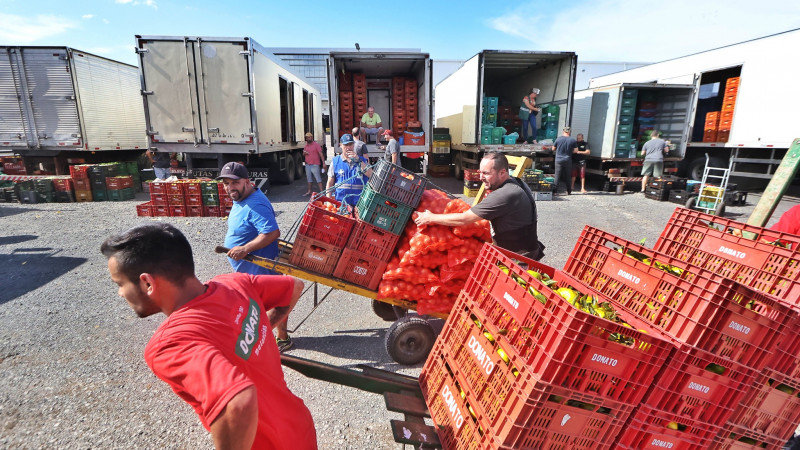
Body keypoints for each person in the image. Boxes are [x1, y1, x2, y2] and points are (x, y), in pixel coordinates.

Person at [101, 223, 317, 450]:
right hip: (299, 428)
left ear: (147, 282)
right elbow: (294, 286)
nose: (120, 293)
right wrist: (259, 329)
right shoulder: (235, 283)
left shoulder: (170, 344)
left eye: (120, 283)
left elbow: (239, 402)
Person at [218, 162, 293, 352]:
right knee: (272, 301)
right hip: (248, 267)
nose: (229, 188)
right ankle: (281, 338)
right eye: (226, 183)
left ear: (247, 181)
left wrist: (245, 248)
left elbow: (271, 233)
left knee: (270, 303)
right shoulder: (242, 198)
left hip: (260, 266)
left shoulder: (255, 203)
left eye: (234, 183)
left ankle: (271, 342)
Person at [414, 151, 544, 260]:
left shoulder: (504, 194)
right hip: (529, 248)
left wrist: (430, 218)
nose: (481, 177)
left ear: (502, 173)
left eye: (486, 173)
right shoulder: (518, 183)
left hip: (518, 258)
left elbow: (464, 219)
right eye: (480, 172)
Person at [326, 134, 371, 207]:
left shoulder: (362, 160)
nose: (348, 147)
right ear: (340, 145)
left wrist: (358, 160)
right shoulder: (335, 161)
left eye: (350, 144)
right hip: (341, 204)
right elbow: (329, 183)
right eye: (346, 145)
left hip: (359, 204)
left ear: (354, 145)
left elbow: (370, 174)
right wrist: (329, 200)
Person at [551, 127, 578, 195]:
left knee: (557, 176)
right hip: (568, 160)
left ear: (563, 131)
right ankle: (569, 191)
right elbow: (576, 151)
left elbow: (553, 149)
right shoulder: (573, 140)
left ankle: (554, 191)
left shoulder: (558, 139)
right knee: (568, 176)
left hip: (558, 160)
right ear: (569, 132)